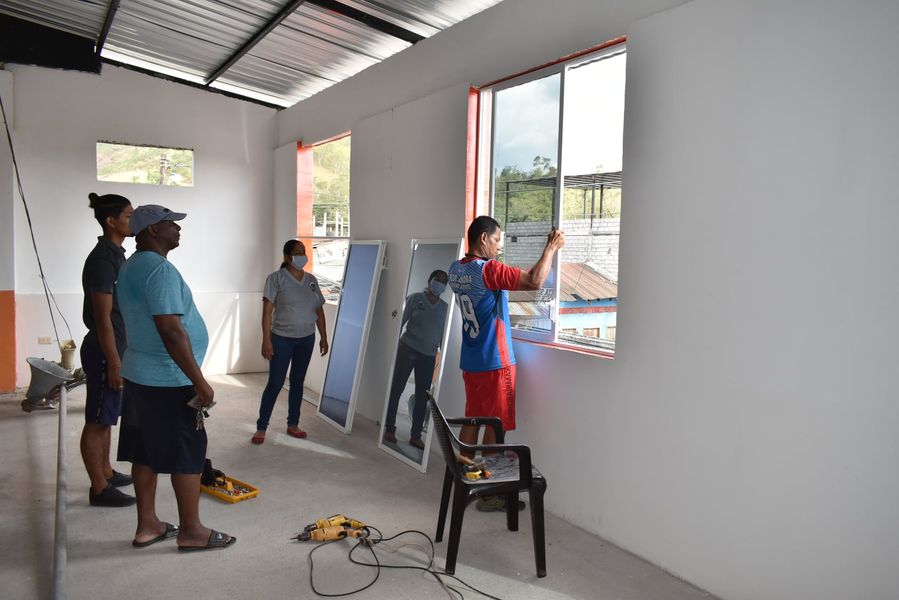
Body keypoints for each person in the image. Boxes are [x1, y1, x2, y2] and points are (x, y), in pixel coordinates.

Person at [116, 204, 235, 551]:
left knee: (144, 453)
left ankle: (148, 525)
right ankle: (192, 531)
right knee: (187, 455)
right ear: (153, 230)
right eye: (171, 223)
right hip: (167, 381)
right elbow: (170, 329)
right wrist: (199, 381)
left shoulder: (131, 266)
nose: (178, 229)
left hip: (139, 375)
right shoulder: (159, 270)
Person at [448, 216, 564, 511]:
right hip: (496, 363)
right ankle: (489, 494)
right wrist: (551, 247)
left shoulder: (455, 270)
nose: (499, 247)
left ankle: (465, 481)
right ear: (483, 238)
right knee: (495, 429)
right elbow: (535, 282)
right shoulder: (488, 270)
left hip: (472, 361)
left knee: (473, 420)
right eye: (497, 240)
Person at [80, 192, 136, 507]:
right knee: (97, 420)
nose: (132, 220)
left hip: (115, 347)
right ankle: (99, 488)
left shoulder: (116, 255)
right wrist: (114, 362)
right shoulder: (103, 260)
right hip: (105, 349)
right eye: (128, 215)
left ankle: (106, 471)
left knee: (107, 417)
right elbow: (102, 318)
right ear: (111, 221)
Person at [251, 240, 328, 445]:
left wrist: (324, 337)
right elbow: (267, 313)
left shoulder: (311, 280)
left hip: (307, 339)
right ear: (287, 256)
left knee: (297, 382)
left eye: (303, 252)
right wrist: (266, 340)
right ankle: (261, 427)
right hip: (281, 339)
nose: (302, 256)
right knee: (275, 383)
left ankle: (293, 424)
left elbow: (319, 310)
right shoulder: (275, 279)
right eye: (297, 252)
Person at [382, 270, 449, 450]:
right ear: (430, 280)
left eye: (443, 282)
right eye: (437, 280)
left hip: (428, 356)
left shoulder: (445, 308)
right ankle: (389, 428)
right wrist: (392, 347)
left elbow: (444, 336)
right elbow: (400, 322)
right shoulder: (415, 299)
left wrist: (442, 359)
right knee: (397, 389)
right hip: (407, 350)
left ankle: (415, 436)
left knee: (422, 397)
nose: (439, 284)